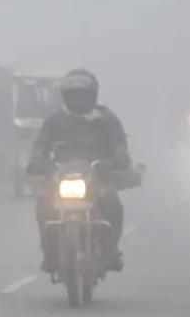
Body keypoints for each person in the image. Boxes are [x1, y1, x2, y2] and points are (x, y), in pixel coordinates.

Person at [27, 68, 131, 273]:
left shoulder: (106, 120)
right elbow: (40, 145)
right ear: (65, 97)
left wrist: (117, 160)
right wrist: (38, 161)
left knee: (112, 202)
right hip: (61, 178)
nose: (78, 100)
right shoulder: (54, 121)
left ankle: (111, 251)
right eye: (73, 95)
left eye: (83, 95)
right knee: (44, 206)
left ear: (92, 96)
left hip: (98, 177)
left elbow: (120, 145)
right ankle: (49, 254)